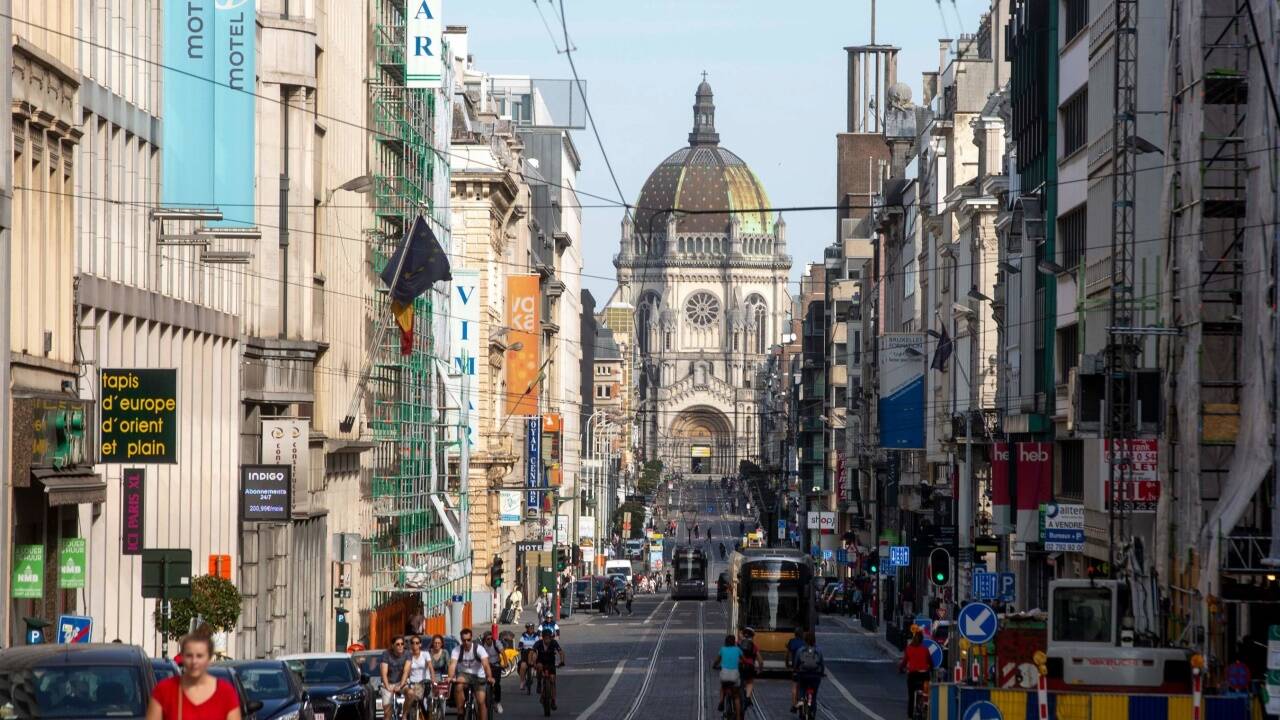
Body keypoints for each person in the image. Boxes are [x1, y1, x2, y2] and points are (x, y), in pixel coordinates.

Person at [146, 627, 240, 720]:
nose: (194, 661)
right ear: (182, 656)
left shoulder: (225, 693)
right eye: (189, 655)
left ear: (209, 658)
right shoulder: (164, 690)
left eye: (199, 656)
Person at [447, 628, 494, 720]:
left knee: (481, 702)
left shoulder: (479, 649)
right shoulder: (457, 650)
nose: (466, 642)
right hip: (464, 675)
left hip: (478, 676)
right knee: (458, 685)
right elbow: (452, 665)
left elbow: (486, 664)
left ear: (471, 638)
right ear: (461, 640)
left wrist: (489, 677)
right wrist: (450, 677)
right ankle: (460, 711)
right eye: (464, 640)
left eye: (468, 640)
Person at [900, 629, 932, 718]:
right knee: (926, 692)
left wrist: (900, 669)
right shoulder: (925, 649)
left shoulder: (909, 649)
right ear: (922, 640)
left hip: (913, 676)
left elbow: (904, 662)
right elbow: (930, 662)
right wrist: (931, 670)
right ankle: (926, 706)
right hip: (924, 675)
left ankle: (910, 714)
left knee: (911, 696)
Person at [791, 632, 825, 713]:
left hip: (803, 675)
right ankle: (812, 709)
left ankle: (801, 701)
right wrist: (822, 673)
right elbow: (822, 664)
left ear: (805, 640)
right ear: (814, 640)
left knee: (801, 689)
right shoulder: (818, 651)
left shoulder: (801, 650)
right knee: (814, 694)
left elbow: (796, 663)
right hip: (815, 676)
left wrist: (795, 670)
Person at [532, 628, 566, 710]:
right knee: (539, 666)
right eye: (546, 638)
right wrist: (533, 663)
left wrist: (562, 661)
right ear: (543, 638)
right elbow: (532, 653)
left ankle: (553, 701)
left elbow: (561, 652)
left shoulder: (554, 643)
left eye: (549, 638)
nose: (548, 640)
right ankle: (539, 683)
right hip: (541, 662)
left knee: (552, 680)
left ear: (551, 638)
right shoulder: (538, 643)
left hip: (551, 663)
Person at [711, 634, 743, 719]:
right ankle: (739, 717)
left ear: (725, 642)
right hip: (734, 675)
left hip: (724, 675)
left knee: (722, 687)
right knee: (736, 696)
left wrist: (714, 665)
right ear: (734, 642)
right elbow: (743, 659)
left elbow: (717, 660)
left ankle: (721, 701)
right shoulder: (737, 649)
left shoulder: (722, 649)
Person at [379, 635, 411, 716]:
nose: (400, 646)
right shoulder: (386, 654)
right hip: (388, 683)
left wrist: (400, 686)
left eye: (402, 644)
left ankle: (404, 716)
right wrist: (387, 686)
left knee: (410, 693)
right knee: (387, 713)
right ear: (392, 645)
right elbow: (384, 673)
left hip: (401, 682)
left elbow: (406, 672)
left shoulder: (407, 654)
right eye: (397, 644)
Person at [404, 634, 432, 720]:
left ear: (420, 644)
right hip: (412, 682)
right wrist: (405, 680)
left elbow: (431, 667)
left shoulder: (425, 654)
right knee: (410, 698)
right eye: (413, 643)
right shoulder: (408, 656)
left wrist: (433, 680)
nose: (415, 645)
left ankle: (426, 716)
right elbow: (406, 670)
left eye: (417, 643)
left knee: (423, 702)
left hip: (424, 682)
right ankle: (406, 715)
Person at [479, 633, 505, 715]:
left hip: (496, 664)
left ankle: (498, 702)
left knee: (497, 684)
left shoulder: (496, 643)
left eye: (491, 638)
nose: (489, 640)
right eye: (487, 639)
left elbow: (503, 653)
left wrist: (506, 663)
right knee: (482, 683)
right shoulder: (482, 645)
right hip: (486, 665)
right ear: (485, 640)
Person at [784, 629, 806, 709]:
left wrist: (787, 663)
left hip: (796, 668)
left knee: (794, 687)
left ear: (795, 634)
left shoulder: (792, 642)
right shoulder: (805, 643)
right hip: (806, 668)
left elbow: (787, 654)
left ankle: (794, 705)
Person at [738, 628, 759, 707]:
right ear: (752, 637)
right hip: (750, 667)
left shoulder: (738, 643)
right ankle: (747, 697)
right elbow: (760, 660)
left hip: (739, 666)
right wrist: (760, 668)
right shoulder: (754, 646)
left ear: (742, 635)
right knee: (750, 682)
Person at [517, 623, 540, 690]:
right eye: (530, 628)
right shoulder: (523, 636)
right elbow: (520, 644)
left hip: (533, 653)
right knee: (523, 666)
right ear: (527, 629)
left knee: (534, 654)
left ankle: (534, 668)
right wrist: (519, 647)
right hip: (525, 654)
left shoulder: (536, 636)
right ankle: (522, 681)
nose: (531, 629)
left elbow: (538, 643)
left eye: (532, 628)